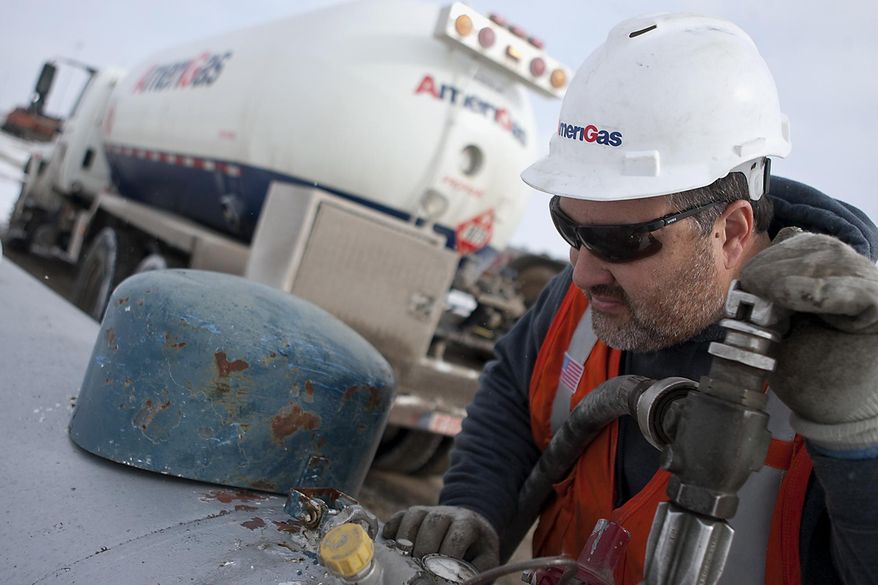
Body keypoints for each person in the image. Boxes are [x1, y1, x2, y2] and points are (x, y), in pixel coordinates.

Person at [383, 13, 878, 585]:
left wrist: (859, 438)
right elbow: (513, 394)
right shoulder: (580, 301)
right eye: (570, 227)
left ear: (732, 232)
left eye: (623, 241)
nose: (585, 269)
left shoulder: (847, 369)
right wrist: (474, 507)